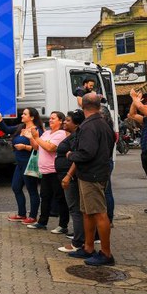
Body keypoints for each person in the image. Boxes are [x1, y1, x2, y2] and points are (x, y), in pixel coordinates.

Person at [63, 92, 116, 266]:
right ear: (99, 105)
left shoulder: (89, 126)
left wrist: (71, 154)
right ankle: (88, 247)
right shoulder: (104, 123)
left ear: (82, 106)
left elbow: (87, 152)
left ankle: (106, 254)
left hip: (92, 174)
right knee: (87, 212)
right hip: (95, 173)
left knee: (99, 213)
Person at [0, 108, 44, 224]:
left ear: (32, 117)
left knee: (32, 190)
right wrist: (0, 119)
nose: (22, 115)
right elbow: (7, 129)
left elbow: (38, 147)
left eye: (25, 114)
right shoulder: (20, 127)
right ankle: (21, 214)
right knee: (16, 187)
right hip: (19, 164)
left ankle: (33, 216)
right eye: (22, 114)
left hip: (29, 163)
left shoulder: (37, 130)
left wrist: (24, 146)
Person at [27, 111, 68, 230]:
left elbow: (50, 148)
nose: (50, 120)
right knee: (45, 197)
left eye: (53, 118)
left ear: (60, 121)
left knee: (60, 198)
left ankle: (63, 225)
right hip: (45, 171)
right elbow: (36, 147)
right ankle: (42, 222)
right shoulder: (47, 133)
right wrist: (31, 138)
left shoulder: (60, 134)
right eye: (50, 118)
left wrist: (36, 137)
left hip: (55, 171)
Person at [56, 110, 85, 252]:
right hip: (66, 174)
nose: (64, 122)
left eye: (67, 120)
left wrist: (68, 175)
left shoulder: (75, 138)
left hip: (71, 176)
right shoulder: (73, 135)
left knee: (75, 208)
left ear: (76, 123)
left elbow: (76, 158)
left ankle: (78, 242)